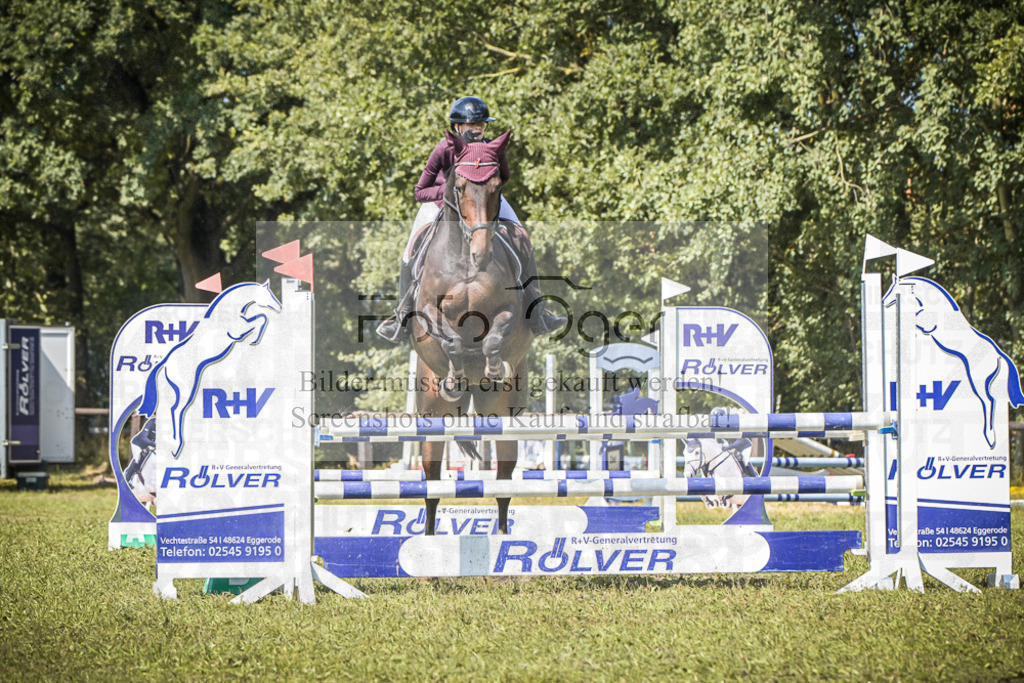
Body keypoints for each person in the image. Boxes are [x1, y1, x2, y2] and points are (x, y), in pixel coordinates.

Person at [376, 96, 566, 343]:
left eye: (481, 125)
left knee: (522, 237)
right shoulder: (444, 149)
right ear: (457, 127)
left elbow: (504, 177)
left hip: (482, 202)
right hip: (440, 204)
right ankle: (401, 317)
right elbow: (420, 191)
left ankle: (538, 312)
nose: (478, 130)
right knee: (410, 249)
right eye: (471, 126)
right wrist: (453, 196)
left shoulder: (492, 149)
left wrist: (482, 192)